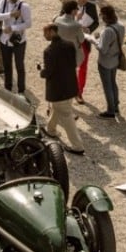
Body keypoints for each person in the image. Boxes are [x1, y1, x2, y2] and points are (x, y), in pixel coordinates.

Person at [39, 23, 84, 155]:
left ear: (52, 32)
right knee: (58, 109)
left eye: (45, 33)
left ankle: (78, 146)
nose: (44, 36)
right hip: (70, 85)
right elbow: (73, 63)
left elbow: (48, 72)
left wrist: (41, 71)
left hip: (58, 89)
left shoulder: (49, 51)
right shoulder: (70, 45)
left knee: (66, 116)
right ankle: (50, 129)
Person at [0, 0, 32, 94]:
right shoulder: (4, 1)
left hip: (19, 41)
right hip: (5, 41)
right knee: (7, 66)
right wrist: (10, 14)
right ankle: (8, 90)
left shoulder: (24, 6)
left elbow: (28, 24)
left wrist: (13, 28)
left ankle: (21, 91)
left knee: (20, 67)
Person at [93, 4, 125, 119]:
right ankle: (115, 106)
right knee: (113, 83)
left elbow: (103, 49)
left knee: (107, 86)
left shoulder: (107, 31)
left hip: (105, 61)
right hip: (115, 59)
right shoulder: (121, 26)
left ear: (105, 16)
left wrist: (94, 40)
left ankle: (110, 110)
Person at [74, 0, 99, 104]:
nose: (84, 0)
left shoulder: (91, 7)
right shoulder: (70, 5)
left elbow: (96, 22)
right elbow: (61, 20)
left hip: (85, 40)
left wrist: (88, 29)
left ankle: (79, 92)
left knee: (83, 67)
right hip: (72, 40)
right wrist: (75, 21)